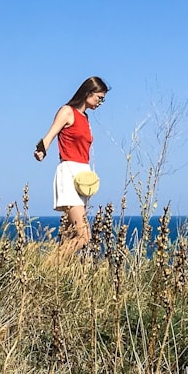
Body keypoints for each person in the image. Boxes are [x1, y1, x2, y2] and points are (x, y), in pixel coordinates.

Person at [33, 76, 109, 259]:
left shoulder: (85, 118)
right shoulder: (67, 112)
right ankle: (47, 268)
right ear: (88, 93)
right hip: (69, 173)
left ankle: (53, 276)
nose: (101, 102)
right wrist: (41, 151)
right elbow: (51, 134)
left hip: (84, 176)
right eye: (100, 98)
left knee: (68, 237)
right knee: (84, 237)